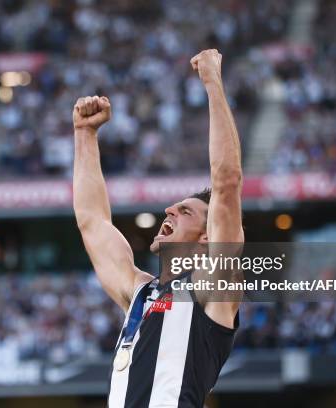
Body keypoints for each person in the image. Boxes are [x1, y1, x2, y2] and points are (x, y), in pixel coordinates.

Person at [73, 49, 244, 407]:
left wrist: (212, 83)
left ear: (207, 237)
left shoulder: (211, 288)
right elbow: (93, 222)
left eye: (184, 211)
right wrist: (85, 135)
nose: (168, 209)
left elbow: (226, 182)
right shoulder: (138, 292)